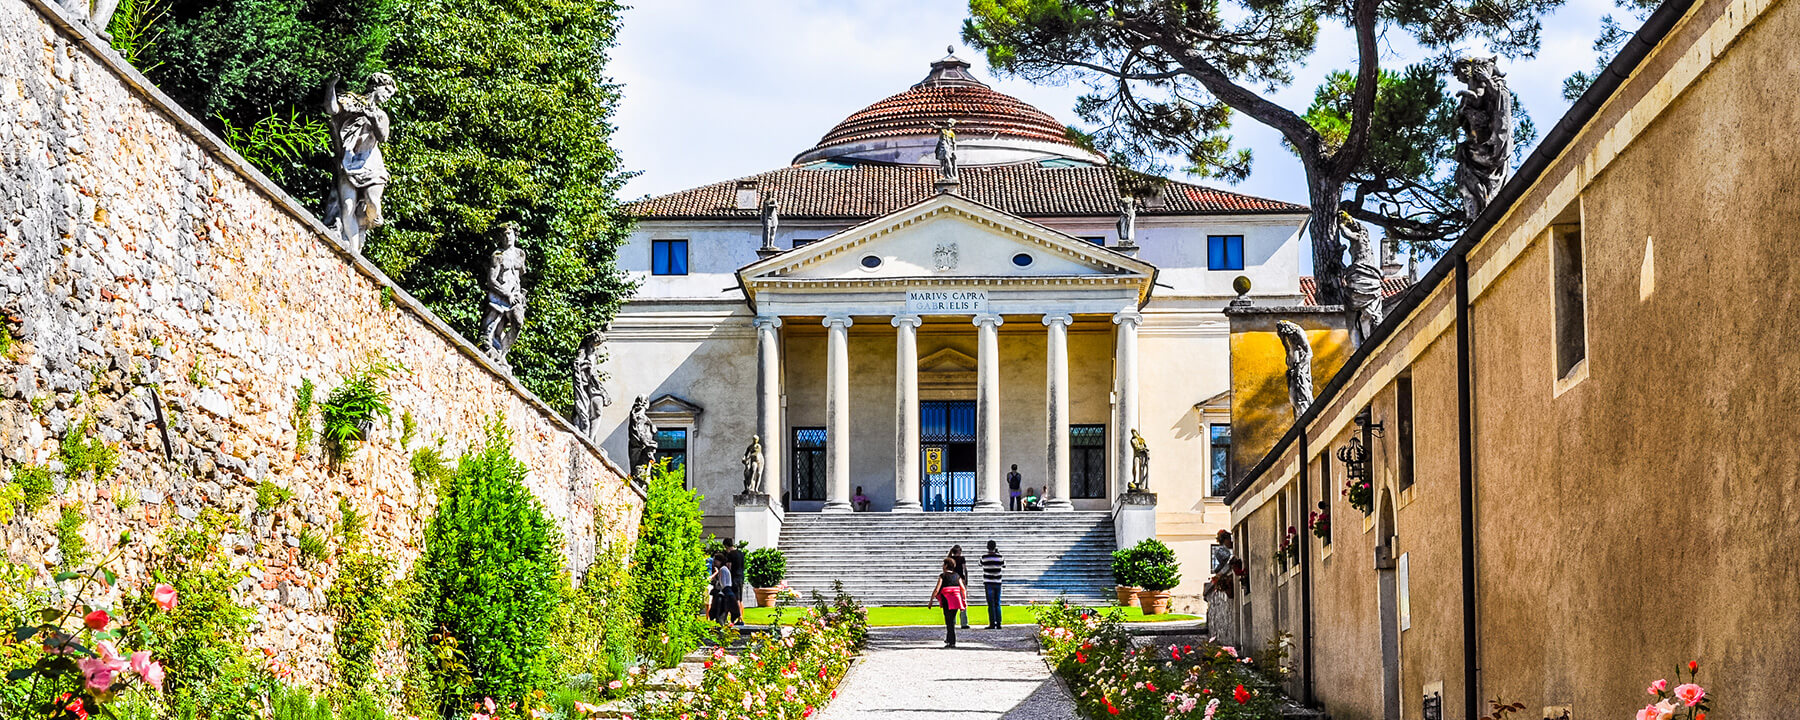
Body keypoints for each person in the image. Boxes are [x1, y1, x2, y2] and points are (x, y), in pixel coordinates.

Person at [926, 557, 968, 648]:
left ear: (946, 566)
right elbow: (963, 588)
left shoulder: (943, 576)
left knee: (948, 620)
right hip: (956, 599)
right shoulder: (957, 576)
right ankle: (949, 639)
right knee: (951, 619)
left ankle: (952, 641)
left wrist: (931, 601)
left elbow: (937, 589)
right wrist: (964, 600)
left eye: (943, 564)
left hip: (947, 599)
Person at [708, 550, 740, 625]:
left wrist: (718, 588)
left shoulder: (722, 569)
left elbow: (723, 583)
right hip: (727, 589)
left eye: (716, 561)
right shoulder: (725, 569)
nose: (715, 563)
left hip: (725, 590)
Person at [980, 541, 1005, 629]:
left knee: (990, 604)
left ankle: (992, 623)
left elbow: (980, 564)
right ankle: (998, 623)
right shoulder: (1000, 557)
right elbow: (1003, 565)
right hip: (997, 582)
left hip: (988, 582)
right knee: (997, 603)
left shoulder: (984, 557)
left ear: (987, 547)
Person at [947, 545, 971, 629]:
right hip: (960, 581)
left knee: (952, 602)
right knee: (963, 601)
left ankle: (952, 621)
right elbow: (965, 570)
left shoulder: (950, 559)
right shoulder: (961, 559)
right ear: (960, 551)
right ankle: (964, 623)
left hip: (952, 581)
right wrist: (966, 580)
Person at [725, 538, 746, 621]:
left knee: (736, 598)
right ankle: (742, 617)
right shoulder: (740, 553)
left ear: (726, 546)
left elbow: (729, 567)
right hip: (741, 576)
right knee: (740, 599)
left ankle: (739, 616)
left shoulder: (730, 554)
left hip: (734, 577)